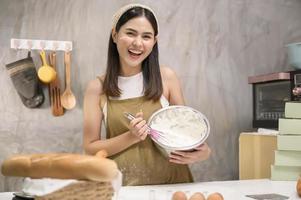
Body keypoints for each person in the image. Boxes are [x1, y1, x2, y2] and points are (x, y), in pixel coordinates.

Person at [83, 3, 211, 186]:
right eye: (130, 33)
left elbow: (186, 132)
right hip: (125, 189)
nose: (138, 43)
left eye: (146, 36)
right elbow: (90, 148)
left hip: (173, 185)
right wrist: (131, 136)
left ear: (154, 41)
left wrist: (203, 152)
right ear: (114, 35)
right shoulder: (97, 88)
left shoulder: (167, 78)